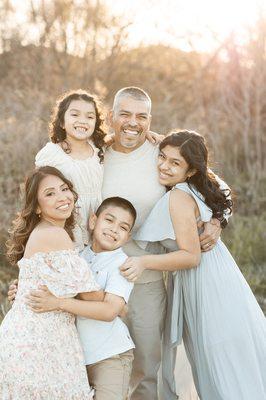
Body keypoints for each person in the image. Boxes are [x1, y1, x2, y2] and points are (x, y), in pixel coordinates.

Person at [121, 130, 266, 400]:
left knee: (214, 350)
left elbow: (191, 256)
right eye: (162, 157)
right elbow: (219, 185)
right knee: (228, 348)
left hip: (203, 279)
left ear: (190, 171)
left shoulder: (179, 196)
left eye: (175, 163)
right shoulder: (197, 183)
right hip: (219, 271)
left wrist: (143, 262)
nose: (164, 166)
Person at [101, 87, 226, 399]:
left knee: (147, 365)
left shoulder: (158, 152)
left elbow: (215, 185)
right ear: (111, 117)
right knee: (99, 362)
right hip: (97, 276)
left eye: (141, 116)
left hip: (146, 280)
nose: (132, 122)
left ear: (150, 120)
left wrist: (217, 220)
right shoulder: (96, 156)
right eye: (125, 114)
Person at [0, 166, 102, 399]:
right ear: (36, 207)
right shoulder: (54, 235)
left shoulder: (47, 230)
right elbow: (91, 296)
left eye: (64, 189)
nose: (62, 197)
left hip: (35, 339)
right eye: (50, 193)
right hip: (38, 344)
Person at [26, 196, 137, 400]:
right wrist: (21, 287)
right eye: (109, 220)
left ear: (128, 237)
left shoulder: (122, 264)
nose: (114, 229)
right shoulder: (77, 257)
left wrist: (59, 303)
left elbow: (110, 311)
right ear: (93, 221)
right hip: (75, 357)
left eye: (123, 227)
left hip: (110, 356)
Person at [35, 89, 106, 248]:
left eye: (89, 116)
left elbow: (117, 141)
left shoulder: (99, 150)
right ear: (62, 122)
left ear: (96, 123)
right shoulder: (52, 154)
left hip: (97, 220)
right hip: (68, 221)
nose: (83, 121)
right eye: (75, 115)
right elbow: (39, 191)